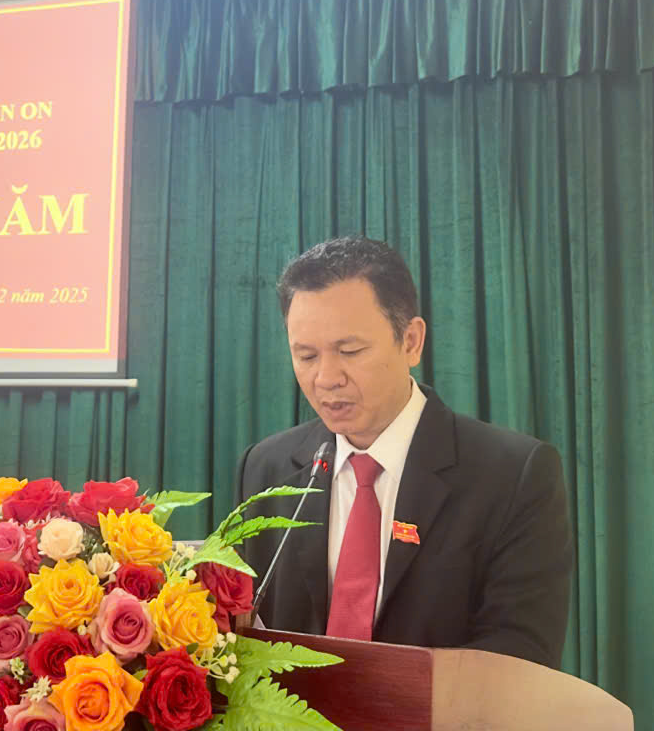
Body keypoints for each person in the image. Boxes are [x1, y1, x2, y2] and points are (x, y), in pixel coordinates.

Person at [237, 236, 573, 669]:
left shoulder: (513, 476)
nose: (326, 378)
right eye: (306, 356)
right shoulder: (267, 469)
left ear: (411, 341)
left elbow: (519, 659)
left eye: (350, 351)